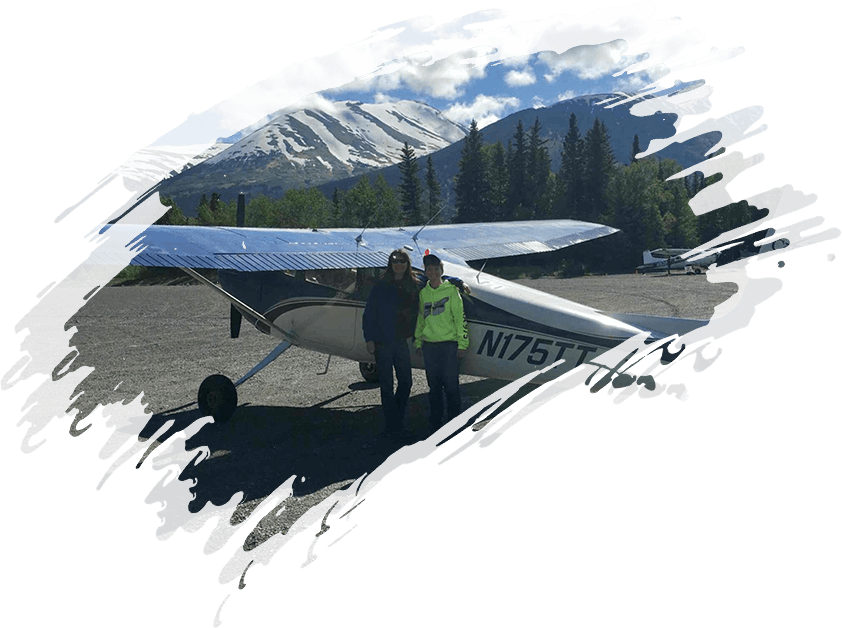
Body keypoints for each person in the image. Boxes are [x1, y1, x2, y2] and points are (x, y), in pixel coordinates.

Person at [362, 249, 469, 441]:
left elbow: (435, 277)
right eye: (395, 261)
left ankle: (397, 420)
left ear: (407, 263)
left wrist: (456, 280)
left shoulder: (414, 283)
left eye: (402, 260)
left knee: (406, 383)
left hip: (401, 341)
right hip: (382, 342)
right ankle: (393, 425)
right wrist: (369, 339)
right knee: (386, 386)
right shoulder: (381, 285)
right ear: (391, 263)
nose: (399, 264)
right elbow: (369, 313)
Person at [414, 253, 470, 433]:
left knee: (451, 386)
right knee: (434, 387)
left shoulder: (452, 291)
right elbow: (421, 319)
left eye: (436, 269)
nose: (433, 273)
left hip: (449, 345)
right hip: (430, 346)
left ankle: (454, 422)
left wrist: (462, 344)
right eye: (429, 270)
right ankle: (436, 421)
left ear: (441, 270)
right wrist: (418, 341)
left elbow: (460, 318)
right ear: (425, 272)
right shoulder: (423, 293)